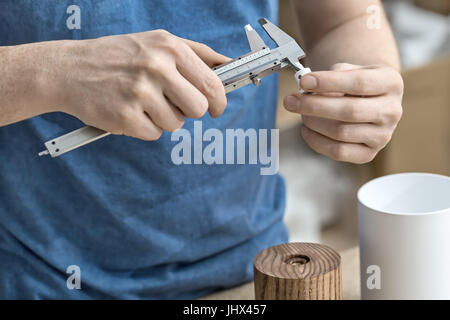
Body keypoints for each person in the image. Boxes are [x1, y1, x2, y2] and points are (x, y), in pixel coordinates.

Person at [0, 0, 403, 299]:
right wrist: (52, 71)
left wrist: (363, 85)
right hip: (39, 277)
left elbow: (347, 19)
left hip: (253, 275)